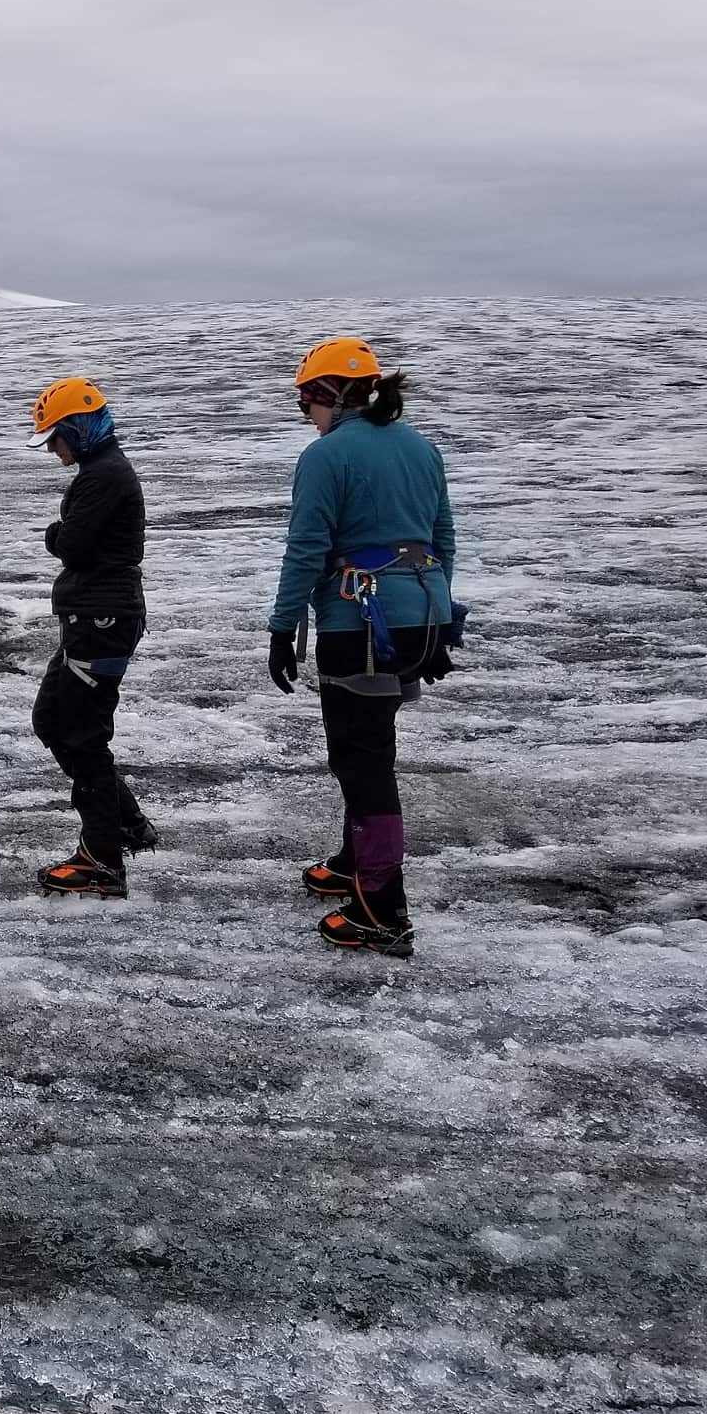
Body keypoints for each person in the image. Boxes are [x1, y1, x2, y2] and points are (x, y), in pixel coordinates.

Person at [266, 337, 459, 959]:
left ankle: (381, 907)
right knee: (372, 742)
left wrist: (282, 626)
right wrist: (436, 607)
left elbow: (307, 548)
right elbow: (443, 538)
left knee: (361, 758)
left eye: (305, 401)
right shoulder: (422, 448)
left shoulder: (327, 456)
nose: (305, 414)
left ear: (330, 395)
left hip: (359, 624)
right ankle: (356, 863)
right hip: (418, 620)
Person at [27, 378, 156, 895]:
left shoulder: (102, 477)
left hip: (101, 620)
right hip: (94, 618)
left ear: (78, 430)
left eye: (56, 437)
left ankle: (103, 855)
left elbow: (71, 544)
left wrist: (56, 535)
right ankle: (122, 823)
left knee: (80, 731)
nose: (54, 449)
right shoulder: (100, 472)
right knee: (53, 720)